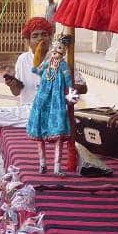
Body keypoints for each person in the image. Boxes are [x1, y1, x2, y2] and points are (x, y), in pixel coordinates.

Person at [0, 17, 55, 130]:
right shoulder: (23, 59)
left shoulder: (59, 58)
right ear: (28, 41)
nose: (40, 39)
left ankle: (38, 124)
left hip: (52, 109)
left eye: (44, 35)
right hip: (28, 110)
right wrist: (12, 84)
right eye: (35, 36)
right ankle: (38, 124)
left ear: (50, 38)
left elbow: (82, 89)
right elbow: (17, 92)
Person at [27, 34, 77, 175]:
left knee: (58, 136)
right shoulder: (48, 62)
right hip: (42, 100)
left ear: (64, 51)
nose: (56, 51)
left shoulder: (64, 66)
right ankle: (42, 164)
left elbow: (68, 83)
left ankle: (56, 167)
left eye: (59, 48)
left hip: (57, 102)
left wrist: (71, 96)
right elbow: (36, 71)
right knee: (39, 132)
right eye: (54, 48)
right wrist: (37, 54)